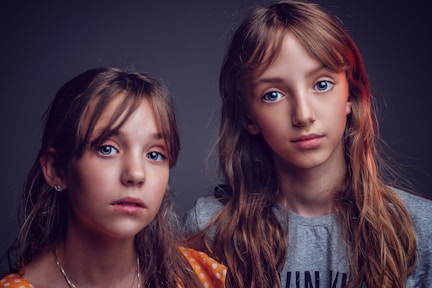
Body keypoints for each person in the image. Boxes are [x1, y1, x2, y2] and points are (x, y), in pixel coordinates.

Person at [183, 1, 432, 287]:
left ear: (351, 96)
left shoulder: (420, 230)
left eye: (322, 84)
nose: (303, 115)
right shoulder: (211, 229)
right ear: (248, 116)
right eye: (273, 94)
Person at [0, 67, 226, 288]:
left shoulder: (204, 278)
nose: (136, 174)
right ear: (56, 170)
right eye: (107, 149)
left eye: (155, 154)